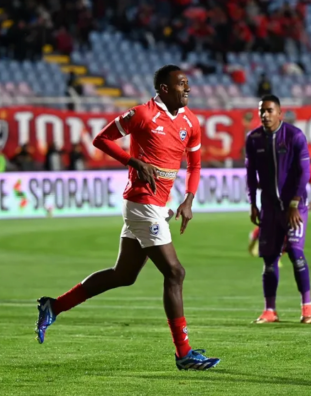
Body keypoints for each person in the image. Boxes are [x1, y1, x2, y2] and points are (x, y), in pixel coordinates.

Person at [34, 65, 220, 371]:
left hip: (160, 204)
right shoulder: (142, 115)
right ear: (163, 88)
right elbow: (101, 139)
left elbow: (195, 164)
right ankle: (183, 352)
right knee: (175, 273)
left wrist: (189, 199)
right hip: (141, 202)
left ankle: (53, 306)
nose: (187, 89)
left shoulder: (191, 121)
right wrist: (132, 160)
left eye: (187, 85)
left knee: (124, 275)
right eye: (181, 85)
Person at [245, 94, 311, 325]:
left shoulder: (294, 136)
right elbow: (250, 175)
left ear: (280, 113)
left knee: (295, 253)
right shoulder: (253, 139)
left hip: (295, 207)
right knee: (269, 259)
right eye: (261, 111)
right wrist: (252, 204)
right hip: (269, 209)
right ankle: (270, 310)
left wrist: (295, 203)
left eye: (269, 110)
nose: (264, 115)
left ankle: (307, 307)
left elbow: (304, 172)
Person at [248, 162, 311, 258]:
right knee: (268, 227)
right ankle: (255, 238)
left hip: (294, 206)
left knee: (289, 234)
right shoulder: (280, 163)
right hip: (275, 202)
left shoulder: (309, 168)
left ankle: (276, 258)